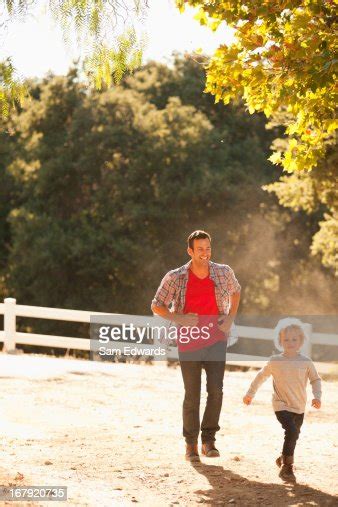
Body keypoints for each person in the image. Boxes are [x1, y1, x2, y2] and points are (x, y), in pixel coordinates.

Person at [151, 230, 241, 460]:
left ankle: (208, 441)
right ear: (190, 251)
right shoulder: (176, 277)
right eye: (200, 249)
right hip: (189, 342)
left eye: (208, 248)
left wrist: (230, 317)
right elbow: (156, 305)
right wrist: (178, 318)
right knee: (192, 394)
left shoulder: (223, 272)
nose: (205, 253)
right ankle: (190, 445)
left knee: (216, 391)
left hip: (216, 340)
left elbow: (236, 291)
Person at [243, 318, 322, 482]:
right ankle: (287, 467)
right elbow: (261, 376)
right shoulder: (275, 361)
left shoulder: (306, 362)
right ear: (280, 341)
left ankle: (282, 458)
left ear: (301, 341)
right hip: (281, 405)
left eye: (294, 339)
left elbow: (315, 380)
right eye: (286, 339)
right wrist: (251, 393)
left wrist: (317, 396)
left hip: (299, 406)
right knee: (291, 431)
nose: (290, 342)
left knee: (294, 435)